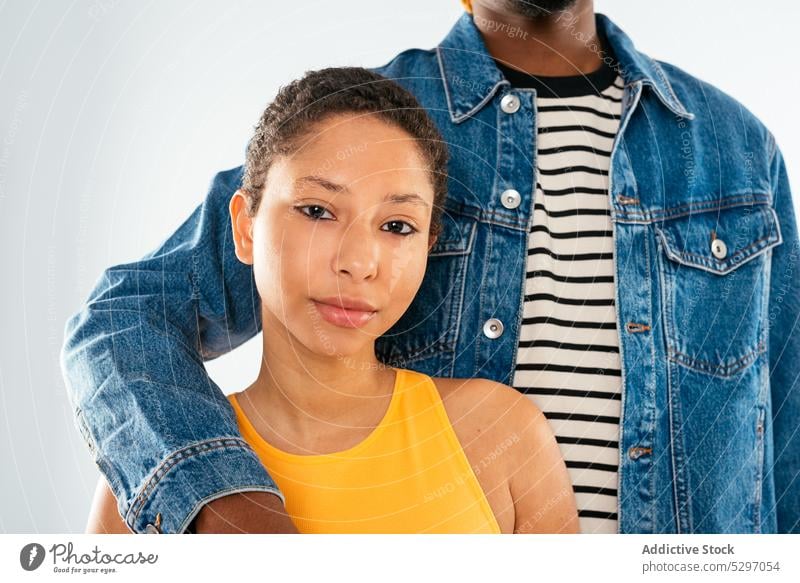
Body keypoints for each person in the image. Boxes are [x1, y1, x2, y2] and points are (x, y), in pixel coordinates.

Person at [62, 0, 800, 534]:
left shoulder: (736, 149)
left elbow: (787, 425)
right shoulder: (370, 124)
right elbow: (122, 320)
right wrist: (221, 504)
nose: (360, 254)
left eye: (396, 224)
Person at [82, 66, 578, 534]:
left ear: (428, 247)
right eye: (317, 210)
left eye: (397, 226)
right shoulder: (151, 475)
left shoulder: (502, 435)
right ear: (244, 226)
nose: (359, 261)